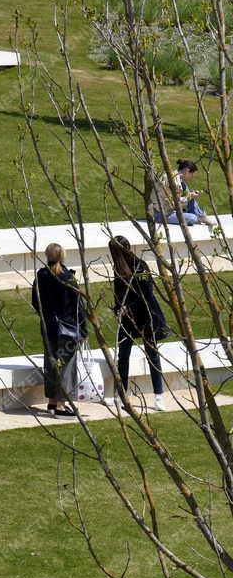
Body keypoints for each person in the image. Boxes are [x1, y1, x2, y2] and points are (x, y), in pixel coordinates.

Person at [109, 236, 170, 411]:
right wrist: (118, 308)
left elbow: (147, 294)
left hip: (146, 315)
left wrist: (128, 307)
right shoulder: (118, 268)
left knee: (152, 355)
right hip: (127, 318)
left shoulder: (139, 266)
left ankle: (159, 396)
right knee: (123, 355)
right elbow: (118, 292)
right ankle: (122, 395)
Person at [31, 243, 86, 417]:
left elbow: (35, 302)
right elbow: (78, 306)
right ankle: (61, 405)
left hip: (48, 328)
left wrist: (46, 316)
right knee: (65, 366)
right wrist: (83, 328)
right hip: (67, 328)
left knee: (51, 364)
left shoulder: (41, 275)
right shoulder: (68, 277)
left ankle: (52, 402)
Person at [151, 159, 216, 227]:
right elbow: (173, 204)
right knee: (192, 218)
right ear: (187, 171)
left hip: (166, 209)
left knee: (186, 189)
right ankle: (199, 217)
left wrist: (189, 196)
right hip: (162, 215)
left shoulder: (174, 176)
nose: (192, 177)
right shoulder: (174, 183)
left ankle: (200, 216)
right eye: (192, 174)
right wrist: (189, 197)